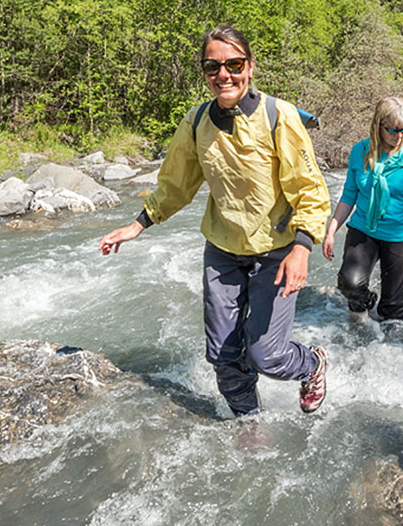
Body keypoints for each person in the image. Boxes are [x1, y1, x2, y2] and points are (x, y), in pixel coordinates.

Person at [99, 26, 332, 417]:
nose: (223, 74)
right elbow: (176, 184)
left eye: (234, 64)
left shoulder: (280, 117)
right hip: (223, 251)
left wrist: (303, 247)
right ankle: (249, 421)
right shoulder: (196, 121)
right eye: (213, 67)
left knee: (267, 355)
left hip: (276, 251)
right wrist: (138, 224)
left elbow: (310, 189)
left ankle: (313, 364)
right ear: (205, 72)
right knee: (222, 354)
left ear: (250, 67)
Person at [322, 97, 403, 322]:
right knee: (350, 284)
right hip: (364, 229)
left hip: (401, 235)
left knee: (394, 312)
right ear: (378, 126)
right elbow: (349, 195)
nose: (399, 136)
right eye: (393, 130)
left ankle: (389, 348)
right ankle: (362, 316)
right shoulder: (360, 151)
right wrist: (331, 231)